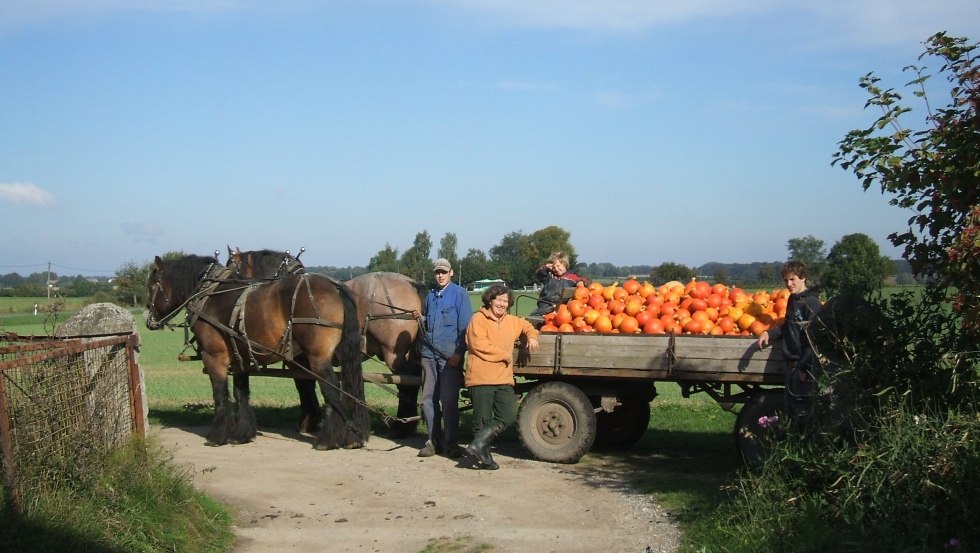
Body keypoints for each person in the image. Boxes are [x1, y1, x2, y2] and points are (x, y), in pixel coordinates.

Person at [465, 283, 540, 469]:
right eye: (498, 299)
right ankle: (483, 457)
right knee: (481, 420)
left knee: (508, 414)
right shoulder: (478, 319)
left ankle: (477, 446)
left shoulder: (512, 321)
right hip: (481, 377)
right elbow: (478, 345)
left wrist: (532, 337)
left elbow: (528, 326)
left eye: (505, 301)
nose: (502, 304)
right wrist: (504, 355)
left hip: (503, 378)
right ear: (490, 300)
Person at [417, 258, 473, 458]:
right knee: (427, 400)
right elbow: (427, 321)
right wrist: (420, 319)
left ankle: (451, 443)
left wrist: (459, 354)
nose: (440, 275)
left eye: (443, 272)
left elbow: (465, 328)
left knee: (448, 400)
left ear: (451, 273)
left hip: (449, 357)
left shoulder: (460, 295)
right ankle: (433, 441)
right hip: (428, 355)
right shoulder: (430, 297)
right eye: (437, 272)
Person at [756, 260, 824, 423]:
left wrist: (804, 368)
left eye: (793, 279)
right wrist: (769, 333)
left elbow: (815, 340)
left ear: (803, 278)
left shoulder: (811, 303)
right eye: (786, 280)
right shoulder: (793, 300)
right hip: (792, 365)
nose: (789, 284)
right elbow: (789, 325)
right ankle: (795, 444)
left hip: (805, 368)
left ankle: (806, 445)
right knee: (791, 410)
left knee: (803, 411)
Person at [529, 251, 588, 317]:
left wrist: (582, 282)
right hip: (544, 305)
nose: (556, 269)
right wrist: (546, 267)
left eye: (558, 266)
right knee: (532, 316)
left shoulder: (571, 277)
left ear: (564, 264)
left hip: (559, 309)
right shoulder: (549, 276)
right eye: (554, 267)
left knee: (532, 317)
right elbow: (539, 273)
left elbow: (583, 280)